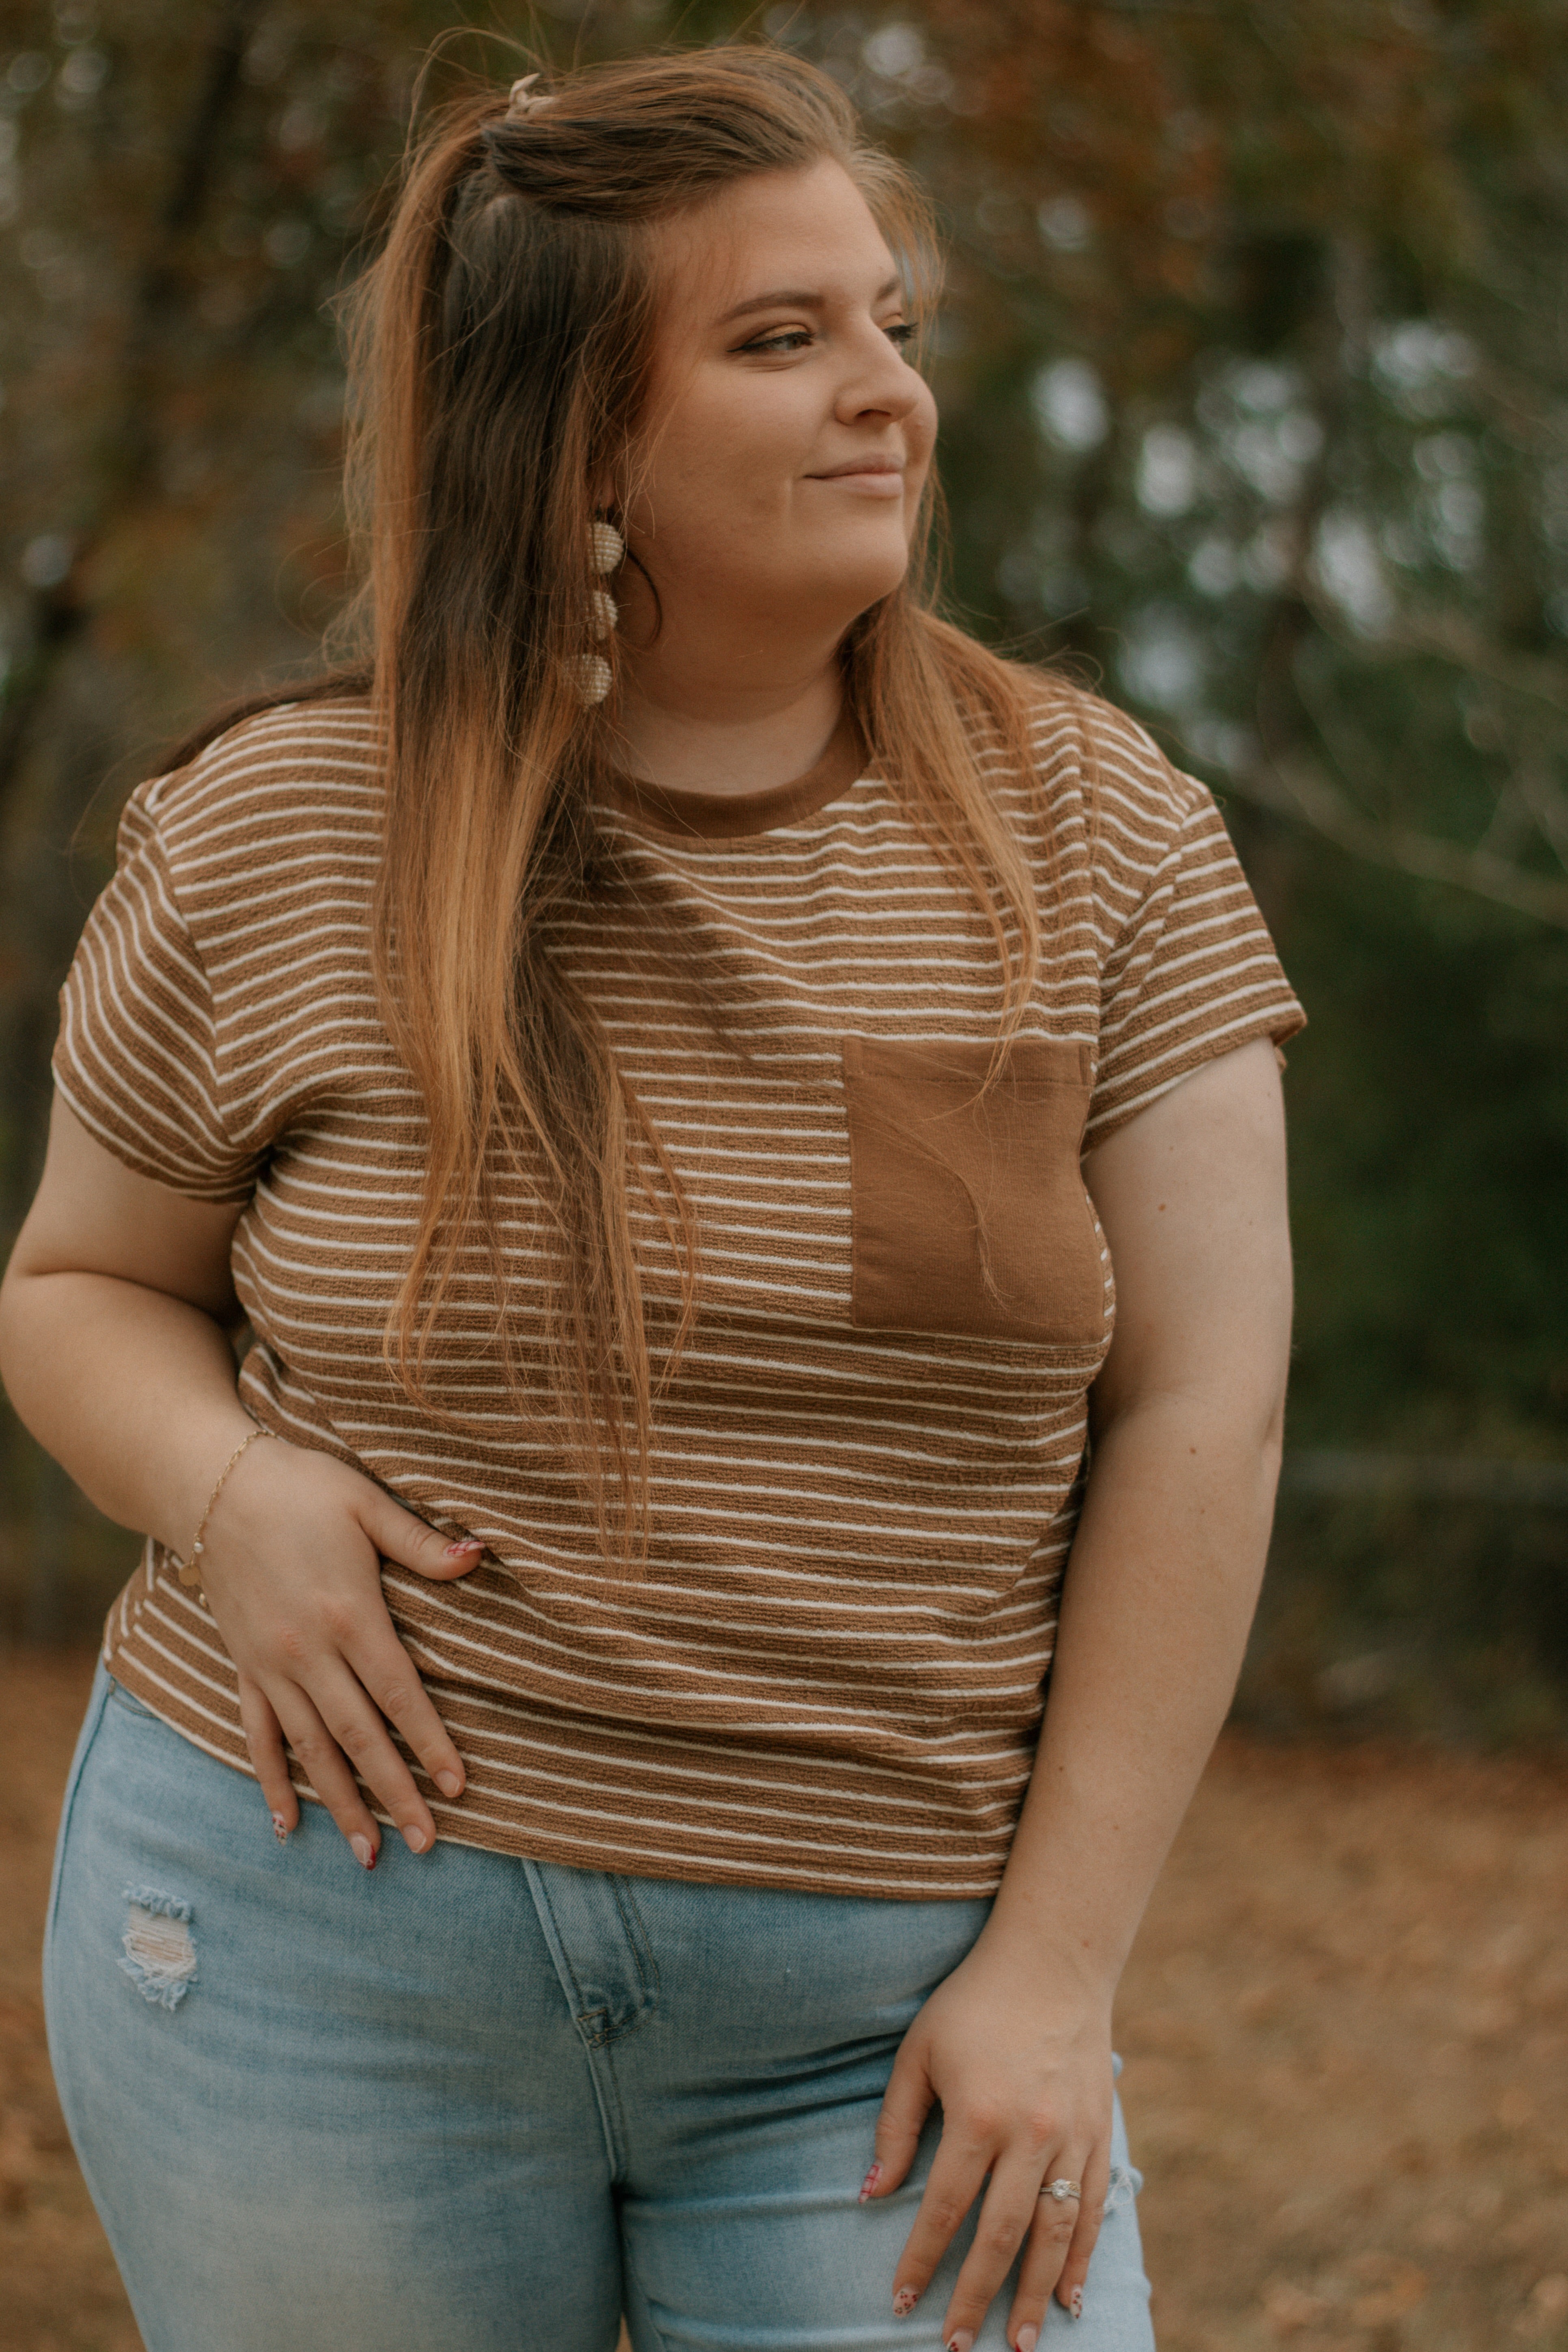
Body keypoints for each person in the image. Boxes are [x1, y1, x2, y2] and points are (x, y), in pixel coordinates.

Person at [0, 43, 1302, 2352]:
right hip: (312, 1966)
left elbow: (1204, 1398)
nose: (885, 389)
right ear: (576, 438)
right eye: (781, 338)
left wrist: (1055, 1973)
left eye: (890, 320)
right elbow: (80, 1284)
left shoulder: (1096, 833)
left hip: (885, 2027)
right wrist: (230, 1489)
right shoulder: (280, 833)